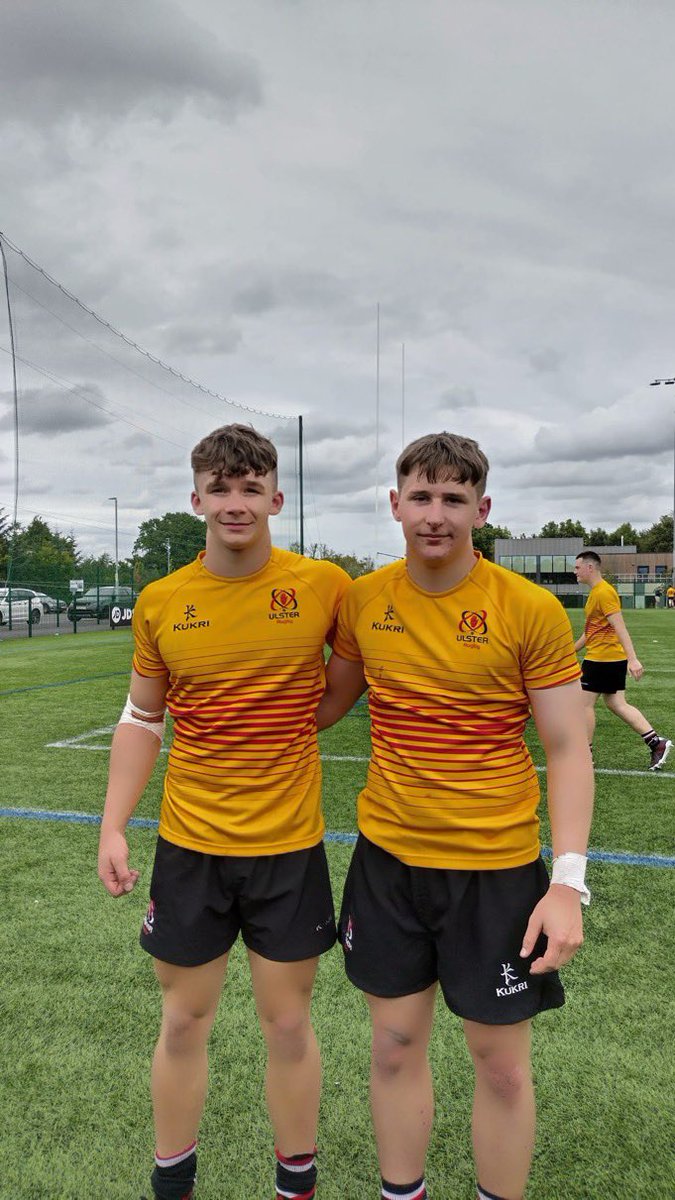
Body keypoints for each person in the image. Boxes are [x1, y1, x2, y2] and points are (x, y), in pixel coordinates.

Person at [316, 432, 594, 1200]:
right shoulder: (363, 600)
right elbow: (325, 706)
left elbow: (567, 748)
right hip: (387, 865)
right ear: (394, 504)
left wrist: (566, 881)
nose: (434, 514)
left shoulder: (527, 608)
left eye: (452, 498)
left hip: (495, 872)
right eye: (420, 497)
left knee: (500, 1068)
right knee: (393, 1046)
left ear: (482, 507)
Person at [98, 424, 350, 1200]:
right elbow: (143, 718)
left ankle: (294, 1184)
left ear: (276, 498)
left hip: (288, 848)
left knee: (288, 1025)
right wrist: (112, 824)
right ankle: (172, 1182)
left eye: (250, 488)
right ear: (196, 499)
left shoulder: (322, 586)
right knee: (182, 1021)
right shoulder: (162, 600)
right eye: (219, 488)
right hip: (191, 847)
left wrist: (296, 722)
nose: (234, 502)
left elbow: (350, 676)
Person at [573, 551, 672, 770]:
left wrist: (633, 659)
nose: (574, 572)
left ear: (590, 567)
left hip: (602, 659)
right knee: (616, 704)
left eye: (577, 567)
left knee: (583, 705)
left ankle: (585, 755)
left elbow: (620, 627)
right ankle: (656, 743)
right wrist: (571, 650)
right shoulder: (596, 593)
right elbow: (591, 632)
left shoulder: (604, 592)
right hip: (606, 658)